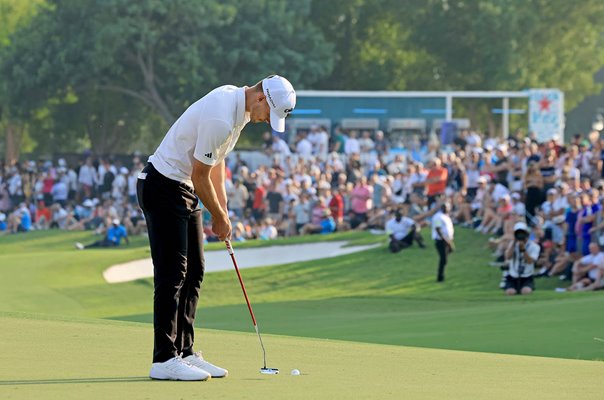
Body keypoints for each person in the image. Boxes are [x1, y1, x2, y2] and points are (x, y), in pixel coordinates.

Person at [137, 75, 295, 381]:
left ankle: (185, 352)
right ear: (261, 98)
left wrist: (223, 212)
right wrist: (219, 217)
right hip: (162, 185)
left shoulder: (240, 109)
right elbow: (200, 174)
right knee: (173, 274)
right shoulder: (221, 116)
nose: (266, 121)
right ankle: (164, 358)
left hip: (182, 187)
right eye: (269, 115)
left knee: (194, 270)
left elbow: (215, 164)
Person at [503, 222, 540, 295]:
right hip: (513, 275)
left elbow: (530, 261)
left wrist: (523, 250)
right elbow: (508, 257)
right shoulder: (512, 244)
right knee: (510, 292)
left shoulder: (534, 246)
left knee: (526, 291)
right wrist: (514, 242)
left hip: (527, 275)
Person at [432, 203, 454, 282]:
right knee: (443, 259)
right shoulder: (438, 217)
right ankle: (440, 277)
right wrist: (448, 242)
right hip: (441, 240)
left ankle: (441, 276)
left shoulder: (446, 216)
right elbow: (438, 230)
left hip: (446, 240)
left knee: (444, 259)